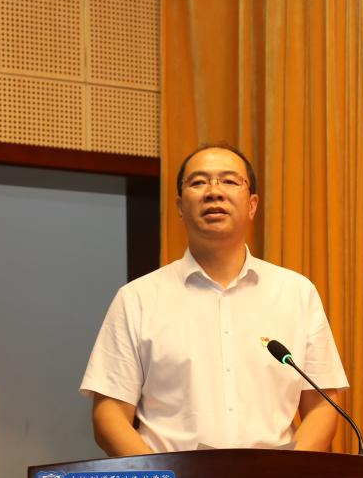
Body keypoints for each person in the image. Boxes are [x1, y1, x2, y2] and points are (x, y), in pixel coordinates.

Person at [80, 143, 348, 456]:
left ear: (252, 205)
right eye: (198, 182)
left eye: (230, 181)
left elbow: (322, 407)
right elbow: (110, 414)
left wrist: (287, 476)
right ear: (180, 206)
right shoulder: (137, 299)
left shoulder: (296, 293)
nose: (214, 192)